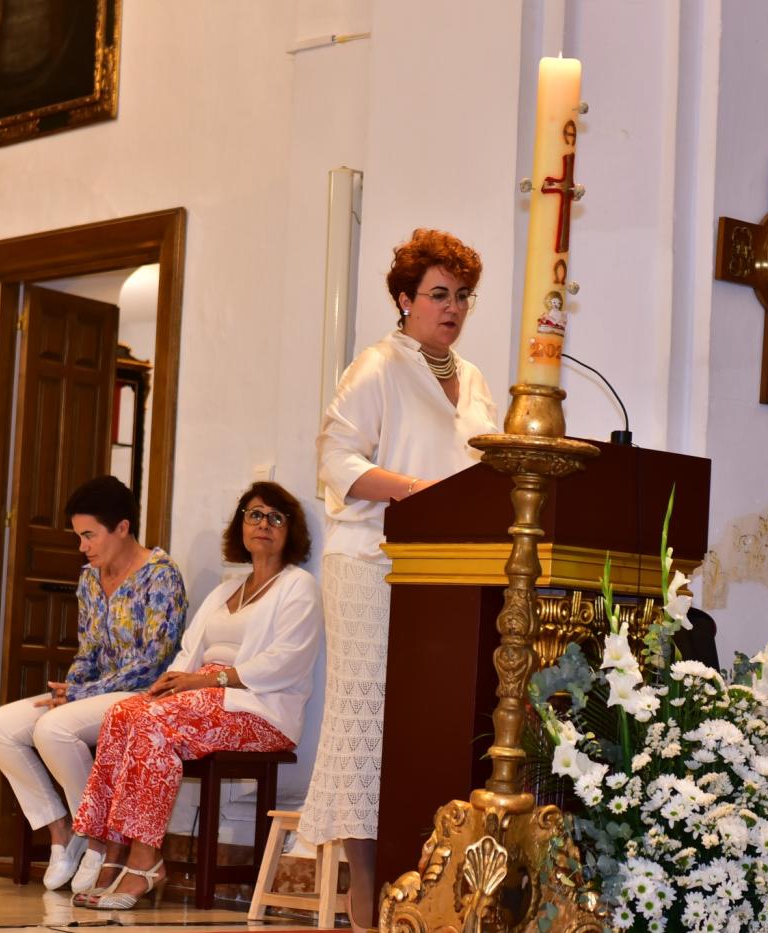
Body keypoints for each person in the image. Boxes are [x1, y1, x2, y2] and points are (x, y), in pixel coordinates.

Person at [298, 228, 500, 930]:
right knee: (366, 730)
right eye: (439, 295)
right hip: (370, 568)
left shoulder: (472, 379)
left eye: (463, 296)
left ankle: (428, 895)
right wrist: (416, 492)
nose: (453, 308)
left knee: (429, 727)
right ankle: (364, 904)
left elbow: (487, 472)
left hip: (447, 572)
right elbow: (337, 458)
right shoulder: (378, 365)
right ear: (406, 299)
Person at [70, 481, 321, 910]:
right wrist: (169, 685)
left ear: (290, 531)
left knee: (151, 724)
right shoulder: (227, 590)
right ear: (241, 525)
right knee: (124, 713)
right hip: (203, 697)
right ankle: (108, 846)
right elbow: (189, 653)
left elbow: (286, 662)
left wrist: (209, 683)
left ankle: (144, 861)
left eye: (276, 518)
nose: (264, 525)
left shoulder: (298, 586)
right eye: (255, 515)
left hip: (258, 710)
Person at [0, 475, 186, 891]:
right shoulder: (89, 578)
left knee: (54, 729)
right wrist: (68, 690)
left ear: (122, 527)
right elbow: (88, 650)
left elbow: (153, 664)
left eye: (89, 535)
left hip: (139, 697)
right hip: (90, 694)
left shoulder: (162, 576)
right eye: (79, 536)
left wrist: (76, 696)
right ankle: (63, 832)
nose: (82, 546)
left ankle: (100, 837)